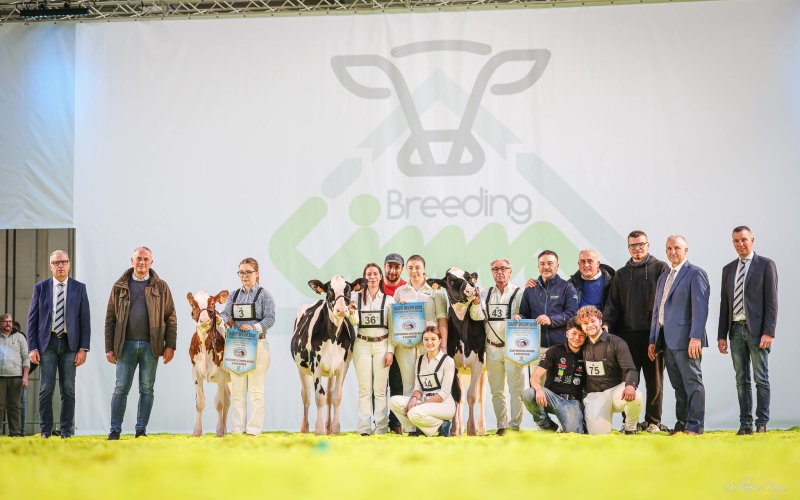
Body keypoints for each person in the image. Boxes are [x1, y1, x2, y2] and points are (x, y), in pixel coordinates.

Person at [105, 247, 177, 440]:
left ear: (151, 262)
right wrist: (109, 348)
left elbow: (171, 318)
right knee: (121, 388)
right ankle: (114, 430)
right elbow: (110, 319)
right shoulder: (119, 286)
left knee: (147, 389)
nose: (142, 262)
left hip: (151, 346)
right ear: (132, 261)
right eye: (138, 258)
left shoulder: (161, 287)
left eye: (146, 259)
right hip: (124, 345)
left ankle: (141, 429)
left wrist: (170, 345)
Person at [603, 230, 670, 433]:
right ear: (628, 248)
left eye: (641, 244)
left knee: (655, 382)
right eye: (633, 245)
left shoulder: (661, 268)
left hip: (654, 336)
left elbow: (667, 302)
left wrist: (662, 334)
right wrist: (606, 324)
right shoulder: (621, 274)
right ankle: (630, 422)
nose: (637, 248)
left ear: (648, 245)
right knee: (629, 382)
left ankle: (653, 422)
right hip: (628, 337)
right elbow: (612, 305)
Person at [717, 226, 778, 435]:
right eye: (736, 241)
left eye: (744, 239)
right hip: (735, 330)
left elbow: (772, 302)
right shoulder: (728, 269)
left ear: (752, 240)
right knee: (741, 380)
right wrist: (721, 335)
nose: (740, 244)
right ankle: (745, 425)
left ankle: (762, 423)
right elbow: (724, 304)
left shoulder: (766, 265)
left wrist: (769, 332)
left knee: (761, 378)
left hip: (757, 331)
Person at [649, 235, 710, 435]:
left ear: (686, 250)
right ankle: (682, 424)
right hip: (666, 340)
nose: (672, 252)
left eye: (677, 248)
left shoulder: (695, 274)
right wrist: (653, 339)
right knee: (678, 386)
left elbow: (700, 309)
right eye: (669, 248)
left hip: (686, 340)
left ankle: (695, 426)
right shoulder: (664, 277)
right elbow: (658, 310)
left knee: (692, 383)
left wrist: (696, 337)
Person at [27, 250, 91, 439]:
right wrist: (32, 347)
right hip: (47, 344)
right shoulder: (40, 288)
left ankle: (65, 431)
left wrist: (83, 348)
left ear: (69, 264)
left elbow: (85, 320)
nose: (60, 265)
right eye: (56, 263)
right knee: (46, 388)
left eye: (64, 262)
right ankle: (46, 431)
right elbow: (32, 320)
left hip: (71, 345)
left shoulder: (79, 288)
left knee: (68, 389)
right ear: (51, 266)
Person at [220, 257, 276, 436]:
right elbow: (225, 314)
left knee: (256, 392)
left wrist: (254, 327)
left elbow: (270, 318)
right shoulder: (233, 295)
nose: (244, 276)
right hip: (236, 344)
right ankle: (237, 431)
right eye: (241, 273)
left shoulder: (265, 295)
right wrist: (217, 320)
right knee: (237, 392)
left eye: (248, 272)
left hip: (258, 345)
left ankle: (253, 431)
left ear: (257, 273)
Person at [469, 258, 524, 435]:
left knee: (516, 390)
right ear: (492, 272)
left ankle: (514, 426)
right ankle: (502, 426)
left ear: (510, 271)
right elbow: (477, 316)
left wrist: (521, 317)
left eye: (503, 268)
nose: (499, 272)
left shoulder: (519, 293)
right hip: (492, 348)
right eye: (495, 269)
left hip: (513, 349)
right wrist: (476, 302)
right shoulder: (485, 294)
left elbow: (527, 314)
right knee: (496, 390)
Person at [392, 255, 443, 434]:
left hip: (427, 345)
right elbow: (394, 319)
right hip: (405, 346)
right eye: (411, 268)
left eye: (417, 267)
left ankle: (427, 424)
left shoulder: (436, 291)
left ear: (424, 268)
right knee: (408, 384)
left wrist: (443, 346)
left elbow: (442, 320)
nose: (414, 271)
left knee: (429, 385)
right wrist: (400, 308)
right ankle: (411, 427)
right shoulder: (400, 292)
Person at [580, 305, 643, 435]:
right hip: (594, 396)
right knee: (599, 436)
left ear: (600, 321)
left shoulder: (616, 342)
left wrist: (630, 385)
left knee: (637, 395)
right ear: (581, 326)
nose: (590, 325)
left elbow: (630, 369)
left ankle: (630, 428)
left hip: (616, 392)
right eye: (585, 323)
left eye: (593, 321)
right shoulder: (581, 345)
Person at [347, 263, 395, 436]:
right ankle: (364, 429)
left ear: (381, 276)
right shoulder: (356, 298)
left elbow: (393, 329)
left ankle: (381, 428)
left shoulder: (389, 300)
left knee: (380, 390)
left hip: (382, 344)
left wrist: (390, 351)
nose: (372, 277)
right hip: (362, 344)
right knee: (365, 390)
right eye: (369, 274)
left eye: (375, 273)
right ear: (364, 277)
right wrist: (351, 312)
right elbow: (355, 322)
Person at [521, 317, 586, 433]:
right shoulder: (554, 350)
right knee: (528, 394)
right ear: (567, 333)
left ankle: (579, 424)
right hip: (551, 397)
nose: (577, 338)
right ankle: (546, 426)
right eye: (574, 333)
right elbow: (535, 376)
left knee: (573, 433)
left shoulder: (588, 353)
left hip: (572, 401)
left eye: (581, 335)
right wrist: (539, 390)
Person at [389, 327, 456, 437]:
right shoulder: (420, 360)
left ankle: (442, 425)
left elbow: (444, 393)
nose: (429, 343)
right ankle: (415, 429)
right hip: (424, 402)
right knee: (393, 401)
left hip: (444, 405)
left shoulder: (448, 361)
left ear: (440, 341)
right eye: (426, 339)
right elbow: (418, 387)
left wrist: (420, 405)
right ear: (422, 341)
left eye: (433, 339)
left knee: (414, 412)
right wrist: (414, 399)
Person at [519, 250, 578, 347]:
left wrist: (551, 320)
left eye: (550, 263)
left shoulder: (567, 287)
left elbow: (572, 314)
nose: (546, 267)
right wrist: (520, 318)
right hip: (535, 346)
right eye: (542, 264)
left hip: (561, 346)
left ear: (557, 266)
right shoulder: (530, 289)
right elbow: (525, 314)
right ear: (538, 267)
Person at [383, 253, 407, 434]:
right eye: (389, 266)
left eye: (396, 267)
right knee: (378, 386)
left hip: (399, 343)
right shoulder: (375, 285)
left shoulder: (406, 288)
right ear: (384, 267)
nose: (392, 270)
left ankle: (395, 422)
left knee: (397, 383)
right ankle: (378, 422)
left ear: (402, 269)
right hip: (378, 340)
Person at [0, 314, 29, 437]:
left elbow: (26, 357)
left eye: (10, 321)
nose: (8, 323)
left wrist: (25, 376)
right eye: (5, 321)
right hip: (0, 376)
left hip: (16, 376)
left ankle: (15, 433)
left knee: (15, 406)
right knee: (0, 406)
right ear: (0, 323)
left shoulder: (20, 337)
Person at [12, 320, 34, 436]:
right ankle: (19, 431)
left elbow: (30, 360)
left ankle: (21, 431)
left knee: (20, 404)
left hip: (18, 377)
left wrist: (24, 374)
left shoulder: (23, 341)